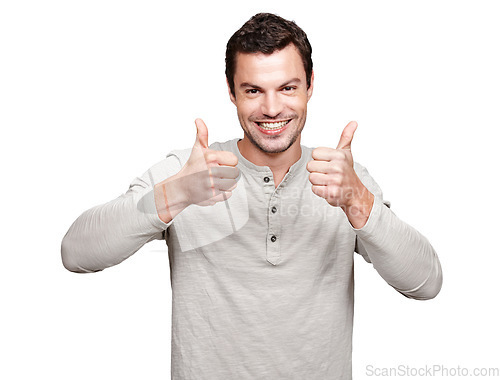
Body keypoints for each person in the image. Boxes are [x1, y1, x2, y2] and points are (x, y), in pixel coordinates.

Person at [61, 13, 442, 380]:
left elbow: (426, 284)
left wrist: (358, 202)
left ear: (311, 84)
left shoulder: (343, 179)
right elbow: (76, 254)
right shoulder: (190, 171)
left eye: (288, 88)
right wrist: (175, 194)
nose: (272, 108)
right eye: (253, 90)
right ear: (231, 91)